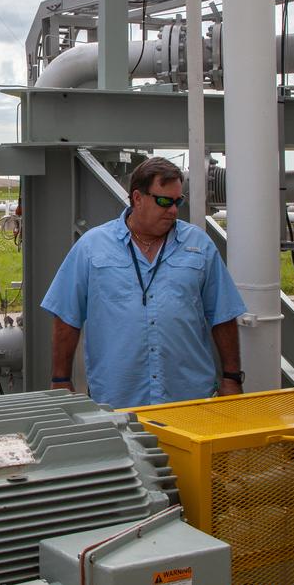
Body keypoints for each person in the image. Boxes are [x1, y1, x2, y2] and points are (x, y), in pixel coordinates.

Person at [40, 157, 247, 408]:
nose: (173, 210)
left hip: (189, 400)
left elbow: (223, 314)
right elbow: (66, 315)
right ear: (137, 198)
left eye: (177, 202)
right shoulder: (92, 247)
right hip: (118, 400)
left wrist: (232, 377)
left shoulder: (199, 246)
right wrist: (60, 380)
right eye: (164, 201)